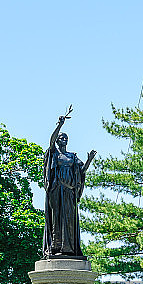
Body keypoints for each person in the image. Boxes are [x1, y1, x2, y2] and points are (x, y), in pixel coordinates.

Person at [43, 108, 96, 257]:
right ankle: (55, 247)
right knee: (57, 218)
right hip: (56, 189)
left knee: (69, 219)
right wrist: (60, 125)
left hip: (69, 191)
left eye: (65, 137)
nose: (63, 139)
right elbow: (50, 140)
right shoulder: (54, 153)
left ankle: (69, 249)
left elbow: (81, 171)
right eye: (61, 138)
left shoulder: (72, 157)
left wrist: (89, 160)